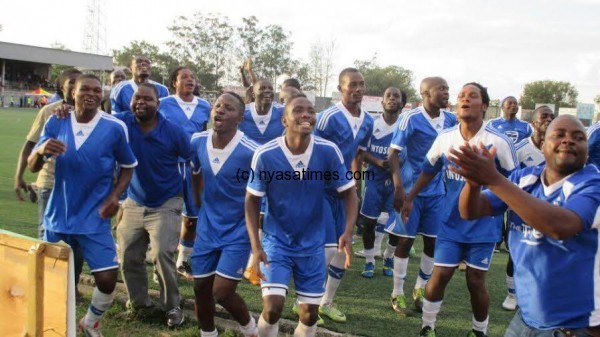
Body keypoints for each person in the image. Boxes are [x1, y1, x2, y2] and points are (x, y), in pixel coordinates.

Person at [452, 115, 600, 337]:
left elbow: (561, 226)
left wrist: (493, 179)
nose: (568, 140)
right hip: (527, 319)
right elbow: (470, 210)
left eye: (578, 138)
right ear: (542, 145)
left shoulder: (592, 183)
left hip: (576, 327)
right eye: (559, 135)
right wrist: (473, 185)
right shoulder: (525, 178)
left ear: (587, 150)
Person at [403, 83, 517, 337]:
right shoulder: (445, 139)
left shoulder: (498, 141)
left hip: (484, 224)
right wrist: (410, 197)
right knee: (440, 274)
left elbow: (514, 182)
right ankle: (427, 327)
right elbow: (428, 170)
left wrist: (515, 219)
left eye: (472, 96)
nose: (464, 100)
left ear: (485, 106)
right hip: (450, 222)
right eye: (461, 96)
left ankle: (479, 331)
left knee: (475, 281)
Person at [28, 74, 137, 336]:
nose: (91, 93)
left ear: (102, 95)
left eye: (97, 90)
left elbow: (128, 166)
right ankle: (49, 326)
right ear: (71, 93)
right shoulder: (57, 120)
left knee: (108, 279)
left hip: (94, 216)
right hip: (58, 215)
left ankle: (90, 322)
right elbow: (34, 165)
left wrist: (116, 196)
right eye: (84, 89)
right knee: (50, 278)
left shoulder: (114, 127)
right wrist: (42, 152)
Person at [246, 95, 358, 337]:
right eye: (298, 110)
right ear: (284, 120)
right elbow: (251, 200)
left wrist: (348, 231)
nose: (306, 114)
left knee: (309, 315)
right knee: (273, 308)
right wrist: (256, 246)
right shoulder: (266, 154)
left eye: (310, 110)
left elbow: (349, 193)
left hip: (313, 246)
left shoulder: (328, 151)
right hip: (277, 243)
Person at [111, 83, 191, 327]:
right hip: (134, 201)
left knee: (160, 254)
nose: (141, 103)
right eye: (137, 98)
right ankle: (139, 303)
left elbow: (189, 162)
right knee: (128, 256)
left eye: (148, 99)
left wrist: (191, 207)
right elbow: (96, 119)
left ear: (158, 104)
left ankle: (172, 307)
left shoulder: (173, 131)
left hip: (167, 201)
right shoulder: (123, 124)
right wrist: (64, 108)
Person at [189, 92, 259, 337]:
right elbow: (195, 174)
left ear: (239, 118)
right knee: (200, 287)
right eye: (217, 106)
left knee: (222, 292)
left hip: (238, 231)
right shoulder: (197, 141)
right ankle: (208, 334)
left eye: (228, 108)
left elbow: (264, 193)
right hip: (208, 229)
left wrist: (258, 235)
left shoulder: (252, 151)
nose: (219, 110)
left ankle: (251, 330)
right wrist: (198, 208)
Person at [386, 77, 457, 314]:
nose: (447, 92)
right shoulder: (411, 118)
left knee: (433, 241)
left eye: (447, 88)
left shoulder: (451, 119)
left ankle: (420, 288)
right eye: (441, 89)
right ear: (425, 93)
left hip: (437, 192)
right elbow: (392, 154)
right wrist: (398, 187)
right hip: (410, 191)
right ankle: (397, 294)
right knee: (406, 240)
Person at [314, 67, 374, 323]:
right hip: (322, 190)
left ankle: (326, 302)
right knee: (328, 248)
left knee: (343, 246)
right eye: (352, 85)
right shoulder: (328, 117)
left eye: (361, 84)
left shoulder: (369, 121)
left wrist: (356, 186)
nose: (358, 89)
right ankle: (305, 300)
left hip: (345, 191)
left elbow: (357, 157)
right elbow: (312, 151)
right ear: (341, 88)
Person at [499, 105, 554, 311]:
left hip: (549, 210)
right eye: (544, 117)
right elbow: (509, 178)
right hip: (521, 210)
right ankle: (512, 294)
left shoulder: (557, 147)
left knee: (547, 253)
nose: (549, 120)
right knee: (517, 252)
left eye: (552, 116)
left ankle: (540, 294)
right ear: (533, 123)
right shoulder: (520, 148)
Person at [158, 66, 211, 278]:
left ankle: (183, 261)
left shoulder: (205, 106)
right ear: (174, 82)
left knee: (192, 217)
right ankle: (160, 263)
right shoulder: (163, 104)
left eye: (193, 77)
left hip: (194, 167)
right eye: (184, 77)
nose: (190, 80)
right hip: (168, 166)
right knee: (164, 215)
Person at [239, 79, 286, 286]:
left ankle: (253, 262)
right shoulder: (244, 113)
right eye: (262, 88)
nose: (267, 92)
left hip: (272, 172)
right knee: (246, 212)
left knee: (263, 214)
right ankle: (244, 256)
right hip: (244, 170)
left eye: (270, 88)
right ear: (253, 92)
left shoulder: (281, 112)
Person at [358, 87, 406, 278]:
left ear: (402, 103)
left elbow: (410, 153)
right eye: (389, 96)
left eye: (397, 96)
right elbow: (361, 151)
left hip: (397, 182)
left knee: (397, 223)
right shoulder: (371, 124)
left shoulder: (405, 125)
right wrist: (378, 161)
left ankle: (388, 256)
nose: (392, 99)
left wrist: (398, 162)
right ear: (382, 102)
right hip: (374, 179)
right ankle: (370, 261)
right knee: (369, 222)